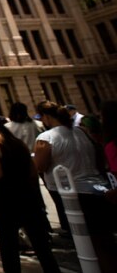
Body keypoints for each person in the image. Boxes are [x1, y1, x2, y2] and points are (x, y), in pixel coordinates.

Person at [35, 101, 116, 270]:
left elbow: (40, 166)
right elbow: (100, 158)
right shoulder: (83, 132)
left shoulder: (46, 138)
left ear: (47, 117)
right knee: (105, 240)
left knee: (89, 245)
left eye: (42, 117)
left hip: (74, 195)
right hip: (99, 189)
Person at [0, 117, 58, 273]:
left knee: (8, 245)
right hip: (27, 195)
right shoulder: (18, 143)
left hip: (6, 197)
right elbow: (32, 171)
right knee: (40, 244)